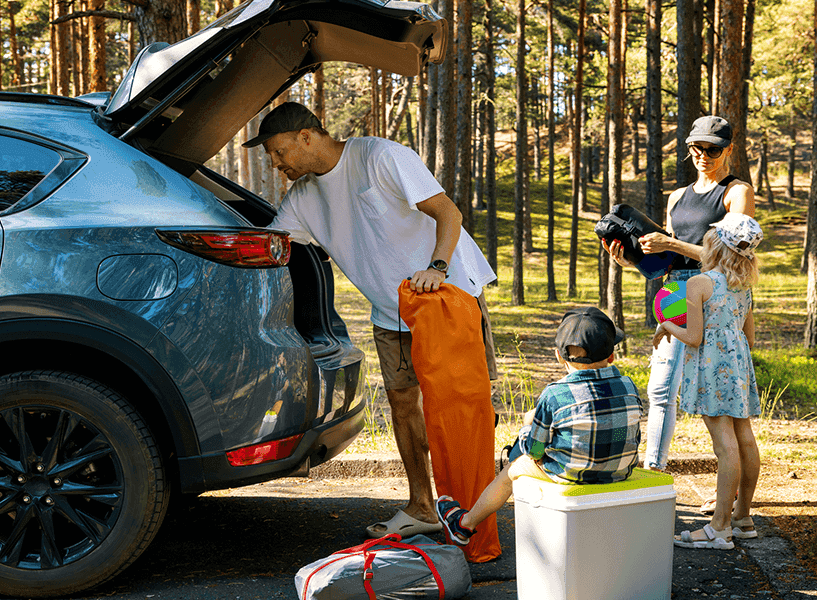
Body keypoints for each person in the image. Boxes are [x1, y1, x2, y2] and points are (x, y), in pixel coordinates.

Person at [243, 102, 498, 539]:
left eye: (277, 151)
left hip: (447, 298)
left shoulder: (381, 157)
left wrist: (437, 267)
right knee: (403, 405)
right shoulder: (302, 199)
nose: (275, 163)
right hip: (390, 311)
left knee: (461, 408)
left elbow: (448, 213)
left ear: (306, 136)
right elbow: (272, 244)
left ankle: (475, 509)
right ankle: (422, 506)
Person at [603, 116, 755, 486]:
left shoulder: (737, 191)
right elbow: (666, 264)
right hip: (674, 290)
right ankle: (654, 472)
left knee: (720, 403)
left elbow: (733, 254)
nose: (703, 156)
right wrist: (631, 260)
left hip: (716, 289)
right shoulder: (676, 197)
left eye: (713, 149)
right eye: (697, 148)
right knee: (661, 388)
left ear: (729, 149)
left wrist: (670, 243)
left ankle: (730, 499)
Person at [435, 307, 643, 545]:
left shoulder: (554, 394)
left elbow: (534, 451)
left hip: (572, 476)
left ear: (558, 356)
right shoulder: (628, 385)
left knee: (513, 468)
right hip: (620, 472)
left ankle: (465, 524)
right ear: (611, 357)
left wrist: (527, 425)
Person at [654, 213, 763, 549]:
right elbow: (749, 336)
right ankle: (743, 518)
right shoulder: (743, 285)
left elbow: (695, 337)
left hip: (712, 369)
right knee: (744, 435)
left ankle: (719, 527)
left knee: (723, 444)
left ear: (714, 244)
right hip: (739, 365)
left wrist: (664, 324)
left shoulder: (700, 283)